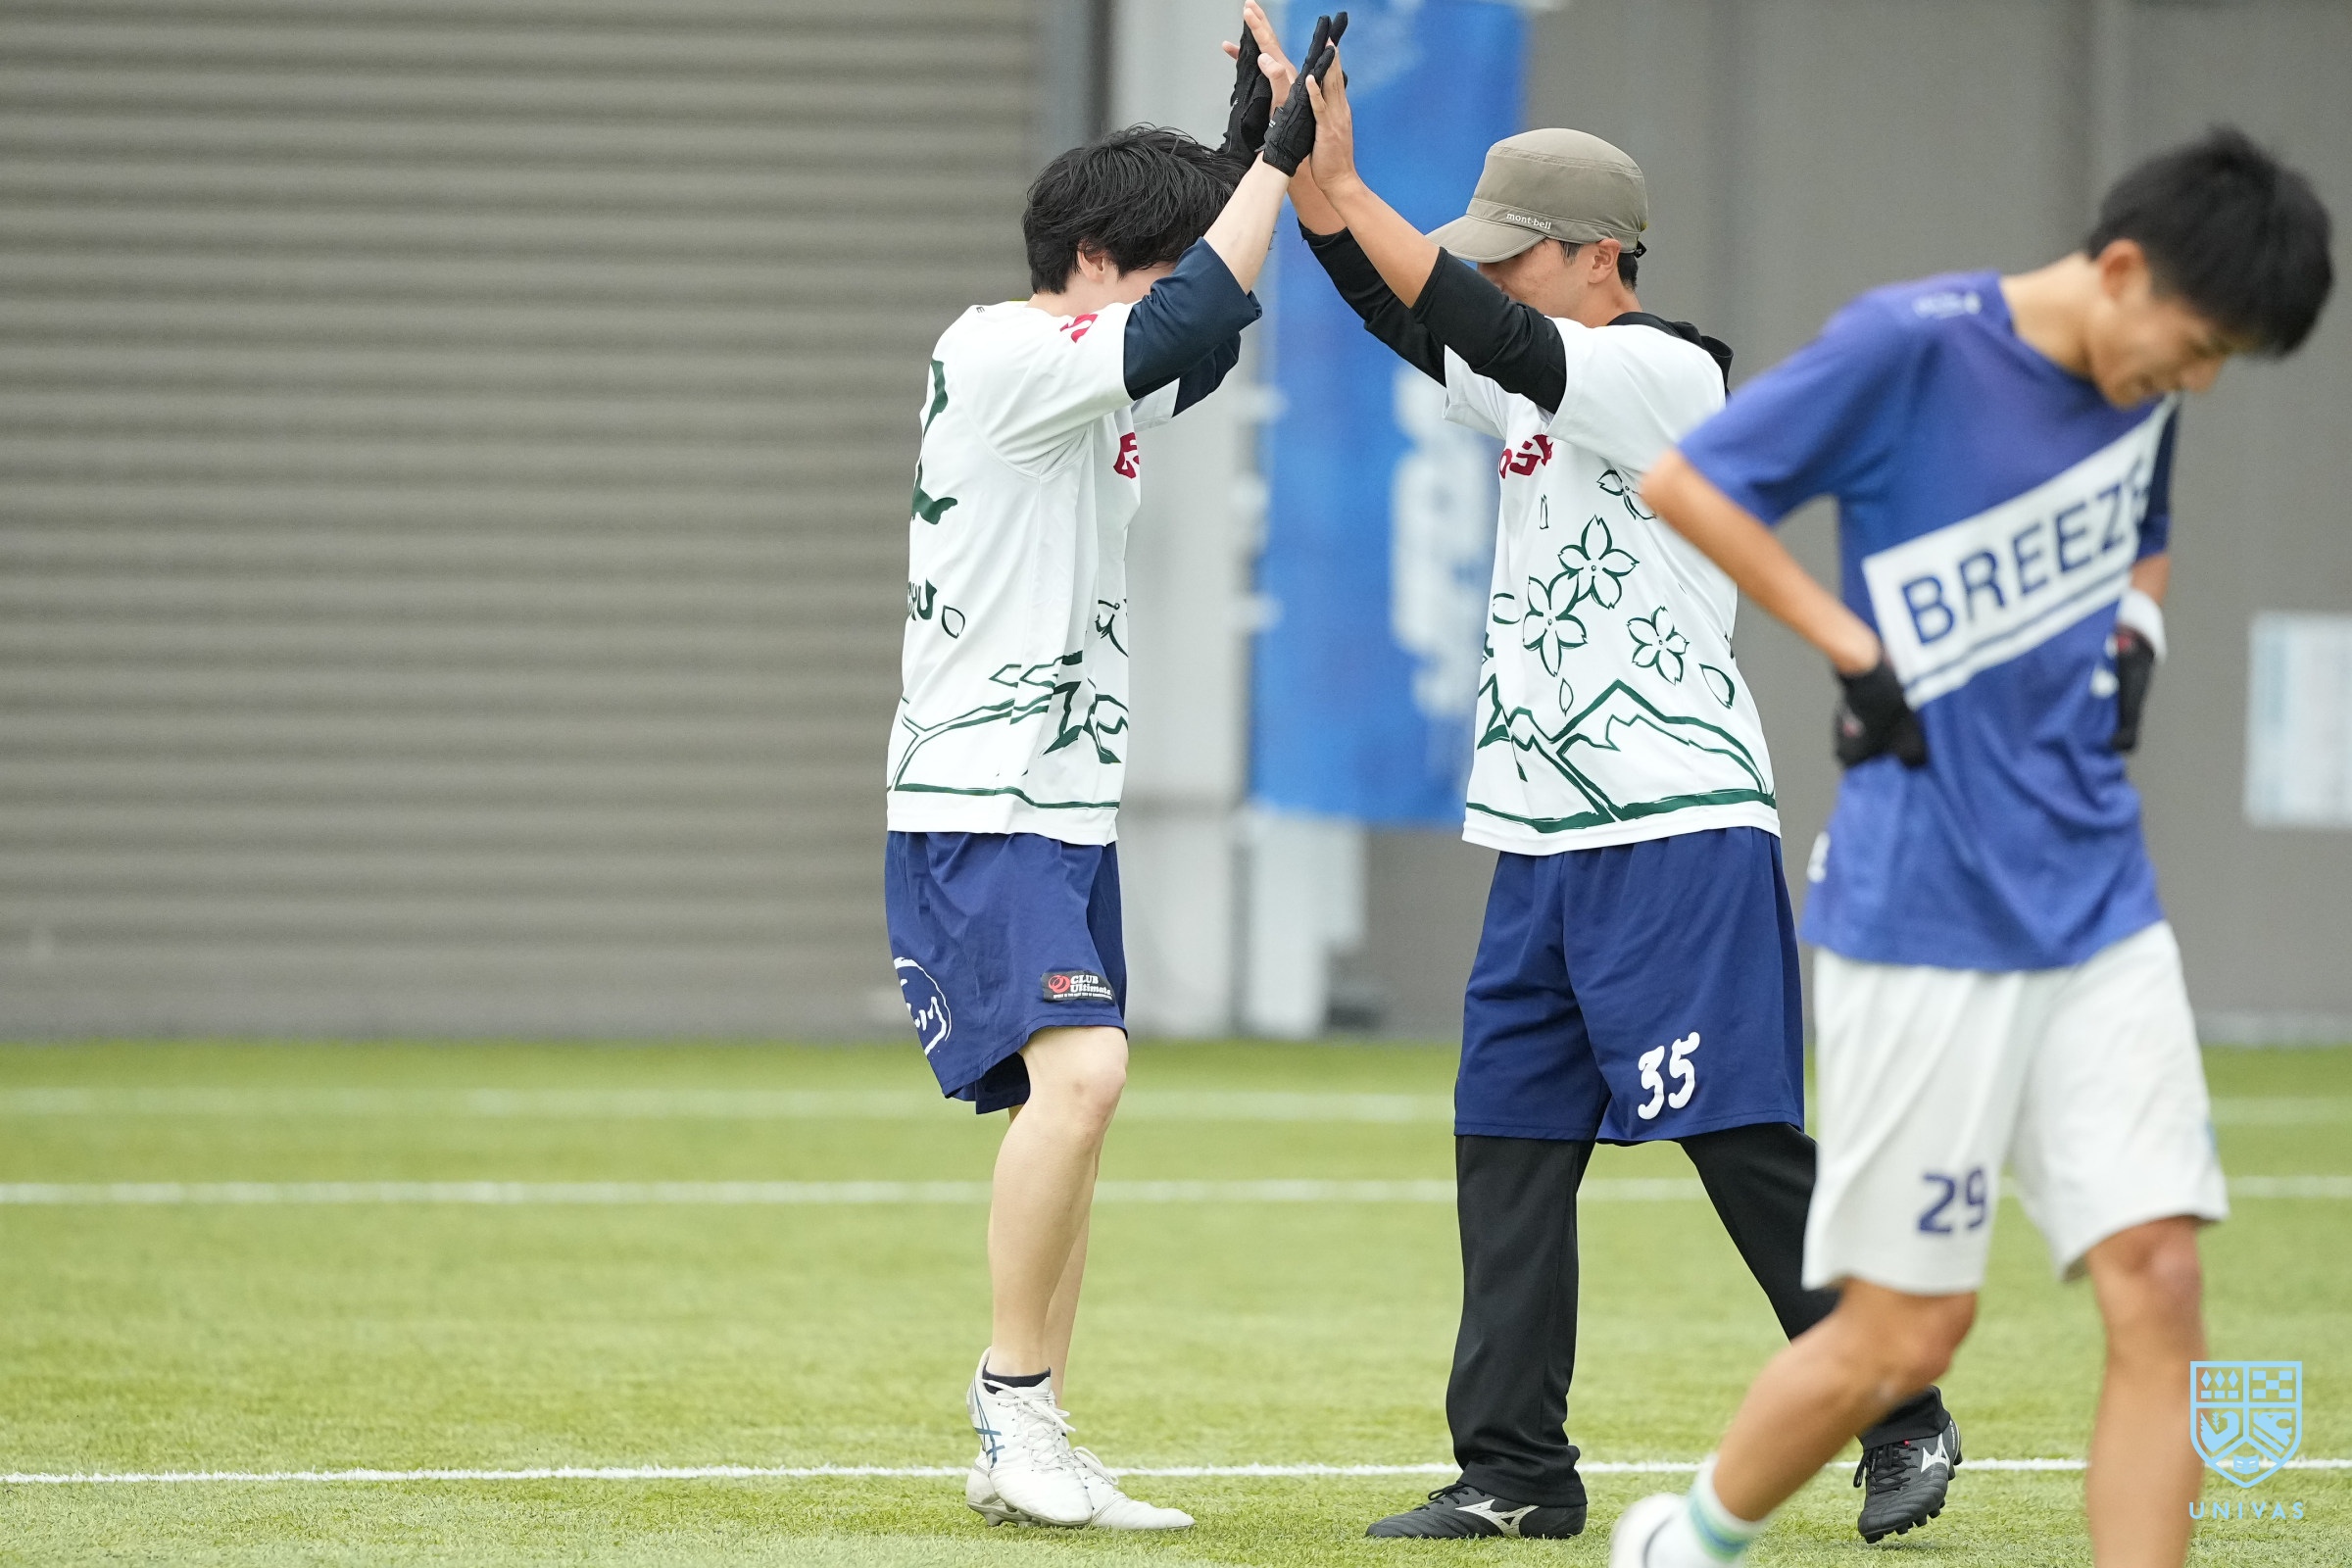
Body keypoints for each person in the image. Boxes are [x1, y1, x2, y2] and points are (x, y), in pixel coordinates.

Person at [1253, 10, 1960, 1543]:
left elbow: (1492, 334)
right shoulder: (1540, 382)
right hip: (1544, 837)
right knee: (1506, 1147)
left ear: (1600, 258)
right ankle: (1515, 1469)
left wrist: (1358, 197)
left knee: (1737, 1136)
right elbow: (1411, 319)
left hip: (1674, 821)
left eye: (1518, 256)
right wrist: (1311, 187)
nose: (1496, 278)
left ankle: (1897, 1399)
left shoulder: (1660, 374)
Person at [1613, 126, 2332, 1568]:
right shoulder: (1912, 346)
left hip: (2100, 902)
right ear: (2120, 272)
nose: (2195, 383)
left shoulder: (2145, 389)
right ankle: (1684, 1542)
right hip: (1919, 912)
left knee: (2160, 1277)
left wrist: (2140, 627)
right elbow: (1688, 486)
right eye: (2197, 348)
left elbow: (2146, 526)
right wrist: (1852, 651)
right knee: (1906, 1336)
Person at [881, 17, 1340, 1533]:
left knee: (1073, 1111)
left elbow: (1201, 317)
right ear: (1088, 257)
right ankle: (1010, 1404)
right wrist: (1265, 166)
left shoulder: (1095, 372)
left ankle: (1034, 1432)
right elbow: (1195, 304)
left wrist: (1249, 134)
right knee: (1086, 1079)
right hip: (980, 798)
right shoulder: (1005, 351)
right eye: (1152, 265)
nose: (1179, 295)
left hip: (1061, 806)